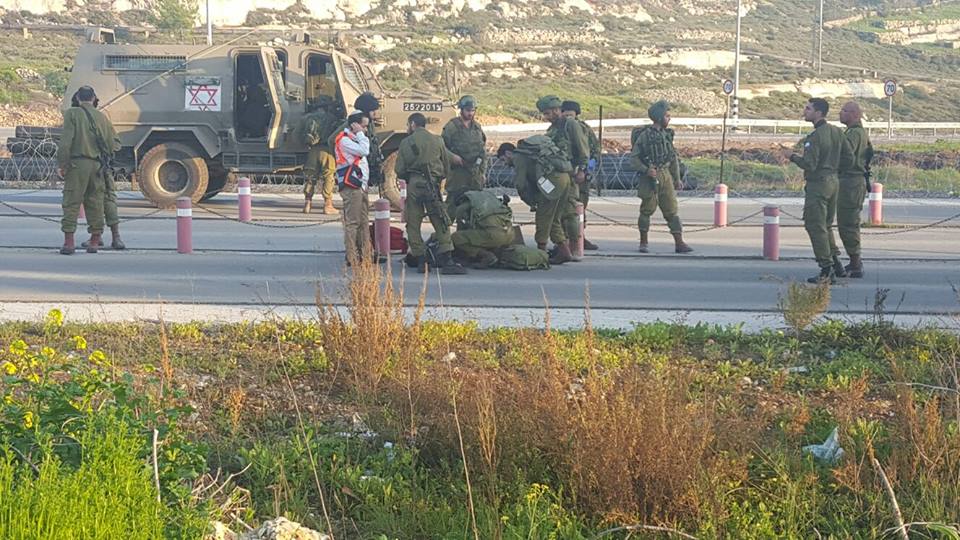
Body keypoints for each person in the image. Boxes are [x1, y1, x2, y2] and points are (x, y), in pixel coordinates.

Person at [786, 97, 848, 284]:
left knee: (815, 226)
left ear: (819, 113)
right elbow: (849, 158)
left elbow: (810, 164)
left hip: (818, 185)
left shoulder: (815, 137)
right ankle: (836, 263)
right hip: (833, 182)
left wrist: (792, 156)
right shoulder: (837, 132)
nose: (804, 111)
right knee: (826, 226)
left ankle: (826, 268)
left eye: (808, 109)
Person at [395, 113, 467, 274]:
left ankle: (422, 260)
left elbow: (399, 169)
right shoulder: (437, 140)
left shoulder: (406, 142)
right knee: (440, 220)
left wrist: (410, 178)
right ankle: (447, 259)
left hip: (414, 185)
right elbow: (446, 165)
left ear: (412, 124)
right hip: (432, 185)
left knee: (413, 223)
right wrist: (439, 179)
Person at [57, 85, 119, 255]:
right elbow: (112, 144)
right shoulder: (102, 117)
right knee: (96, 202)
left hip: (77, 165)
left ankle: (69, 243)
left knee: (71, 202)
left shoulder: (72, 114)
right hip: (98, 166)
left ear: (77, 98)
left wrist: (62, 164)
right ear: (93, 98)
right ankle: (94, 242)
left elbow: (66, 142)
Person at [629, 100, 692, 254]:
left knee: (671, 210)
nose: (669, 119)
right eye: (666, 116)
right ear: (659, 117)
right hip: (649, 177)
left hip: (665, 175)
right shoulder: (644, 136)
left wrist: (677, 179)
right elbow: (634, 159)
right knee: (646, 210)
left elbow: (673, 159)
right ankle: (643, 242)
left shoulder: (666, 135)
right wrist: (646, 170)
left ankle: (679, 242)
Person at [496, 137, 572, 265]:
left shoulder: (518, 157)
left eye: (503, 160)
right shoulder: (528, 155)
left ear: (508, 153)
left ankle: (541, 254)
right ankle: (564, 252)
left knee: (543, 218)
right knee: (554, 219)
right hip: (564, 178)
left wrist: (530, 201)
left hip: (551, 183)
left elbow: (520, 184)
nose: (505, 164)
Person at [540, 95, 587, 262]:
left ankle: (575, 248)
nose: (546, 117)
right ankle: (563, 246)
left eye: (547, 113)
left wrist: (582, 170)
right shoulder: (552, 130)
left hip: (571, 174)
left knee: (570, 211)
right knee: (559, 213)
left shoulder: (571, 125)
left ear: (556, 110)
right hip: (557, 175)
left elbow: (582, 149)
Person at [837, 101, 873, 278]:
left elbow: (845, 156)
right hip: (851, 181)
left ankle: (855, 263)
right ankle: (854, 262)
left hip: (851, 182)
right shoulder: (855, 132)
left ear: (855, 114)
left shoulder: (854, 134)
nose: (840, 113)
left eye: (845, 111)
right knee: (847, 222)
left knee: (848, 223)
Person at [561, 100, 601, 251]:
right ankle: (564, 240)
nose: (568, 117)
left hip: (581, 174)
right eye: (565, 114)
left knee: (580, 207)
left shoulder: (584, 129)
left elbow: (594, 151)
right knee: (565, 208)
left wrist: (585, 170)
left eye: (571, 115)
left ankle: (580, 237)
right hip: (565, 173)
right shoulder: (559, 129)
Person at [334, 110, 372, 266]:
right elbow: (364, 151)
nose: (365, 130)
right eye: (363, 126)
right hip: (352, 186)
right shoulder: (344, 140)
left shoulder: (355, 139)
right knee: (353, 223)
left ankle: (366, 255)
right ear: (354, 125)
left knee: (363, 222)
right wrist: (361, 134)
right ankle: (352, 256)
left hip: (360, 185)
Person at [442, 95, 487, 218]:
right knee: (452, 204)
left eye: (472, 110)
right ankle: (444, 228)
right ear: (461, 110)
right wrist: (453, 157)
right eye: (467, 110)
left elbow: (482, 151)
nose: (470, 113)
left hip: (474, 173)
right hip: (458, 173)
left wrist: (482, 172)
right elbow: (442, 148)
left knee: (473, 205)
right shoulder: (452, 127)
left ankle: (467, 228)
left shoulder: (477, 127)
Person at [298, 97, 342, 215]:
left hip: (313, 151)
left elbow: (296, 134)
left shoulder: (307, 118)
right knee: (328, 177)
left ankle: (307, 204)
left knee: (311, 177)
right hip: (327, 151)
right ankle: (328, 205)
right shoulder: (332, 118)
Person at [451, 191, 514, 269]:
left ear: (461, 200)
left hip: (494, 236)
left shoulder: (463, 207)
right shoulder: (490, 200)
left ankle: (487, 256)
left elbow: (460, 230)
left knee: (456, 237)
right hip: (510, 235)